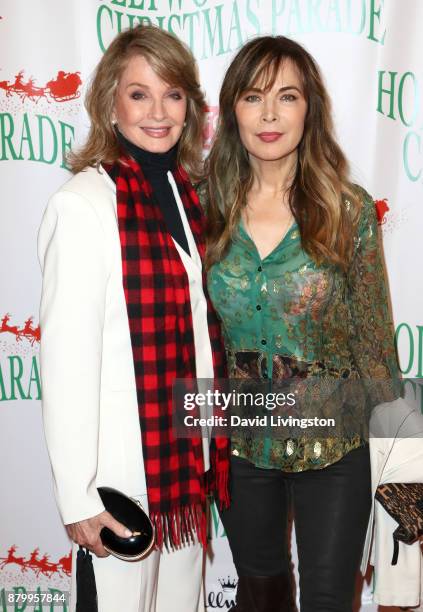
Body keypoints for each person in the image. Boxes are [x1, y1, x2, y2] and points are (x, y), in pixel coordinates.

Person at [201, 35, 402, 611]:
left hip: (336, 447)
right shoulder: (201, 209)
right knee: (260, 593)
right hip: (239, 444)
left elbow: (375, 344)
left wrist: (397, 468)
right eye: (253, 96)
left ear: (309, 109)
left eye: (287, 96)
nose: (269, 114)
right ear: (231, 107)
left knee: (329, 599)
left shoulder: (349, 210)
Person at [38, 24, 229, 612]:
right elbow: (66, 364)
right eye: (139, 93)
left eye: (172, 94)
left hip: (185, 472)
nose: (158, 111)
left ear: (191, 108)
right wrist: (78, 499)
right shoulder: (82, 205)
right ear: (110, 105)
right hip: (119, 482)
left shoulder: (191, 197)